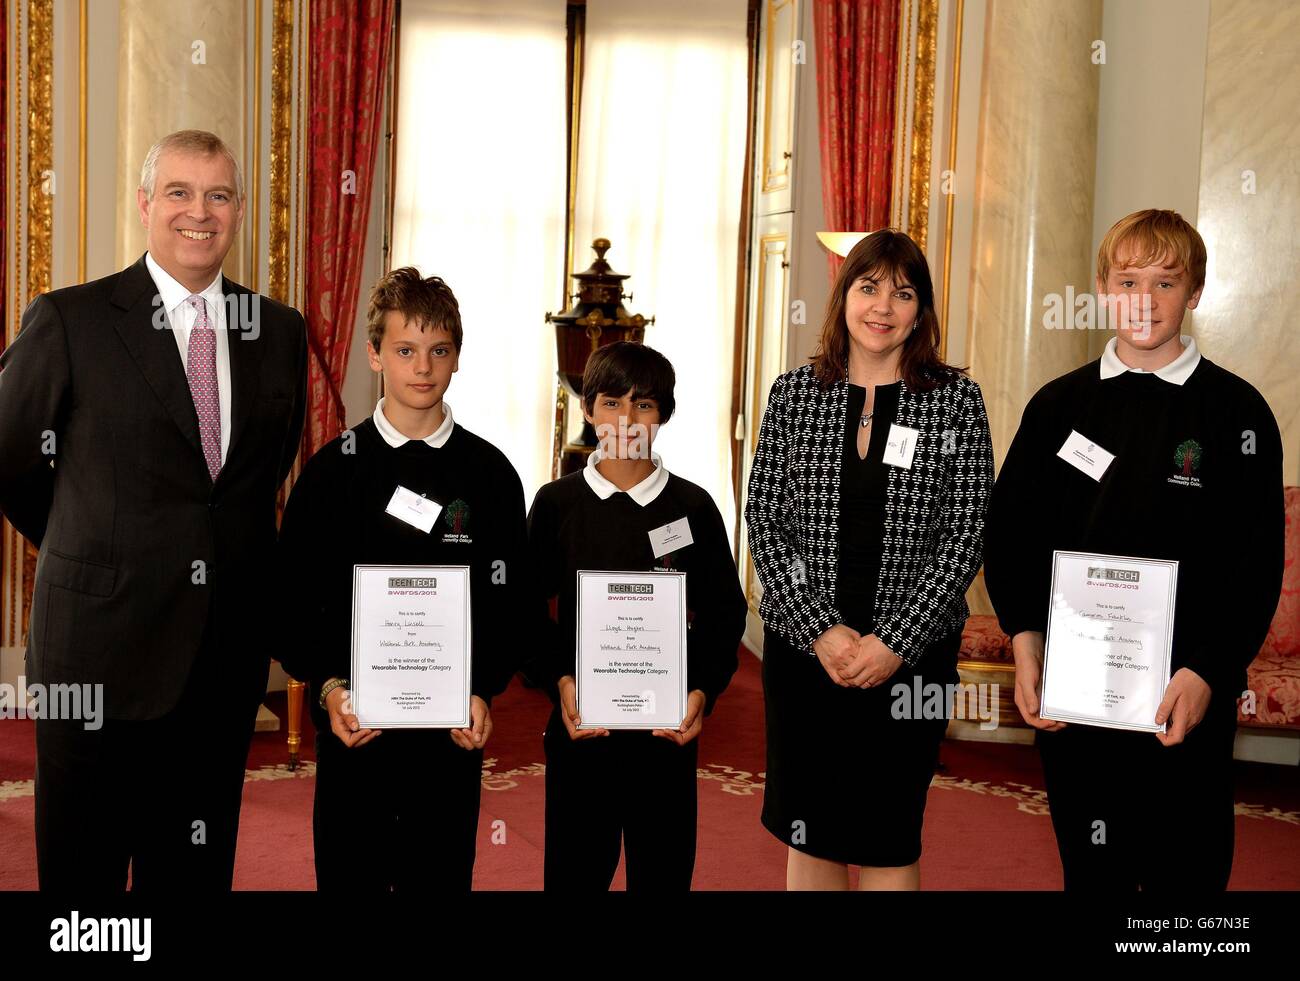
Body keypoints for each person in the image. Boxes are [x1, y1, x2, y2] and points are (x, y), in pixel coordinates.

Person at [0, 130, 307, 890]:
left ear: (237, 211)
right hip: (97, 659)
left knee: (194, 873)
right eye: (178, 192)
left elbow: (258, 478)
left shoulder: (279, 331)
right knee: (85, 884)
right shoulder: (71, 320)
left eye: (218, 195)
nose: (198, 212)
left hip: (221, 663)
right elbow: (13, 464)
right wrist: (95, 548)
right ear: (144, 204)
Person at [984, 208, 1284, 890]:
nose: (1143, 300)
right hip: (1078, 694)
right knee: (1094, 873)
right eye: (1126, 281)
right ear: (1101, 287)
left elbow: (1257, 559)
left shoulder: (1238, 414)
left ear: (1196, 292)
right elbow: (1012, 533)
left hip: (1187, 695)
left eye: (1165, 282)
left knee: (1189, 881)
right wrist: (1026, 636)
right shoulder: (1057, 406)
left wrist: (1208, 669)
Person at [745, 229, 993, 891]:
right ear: (844, 295)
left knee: (889, 832)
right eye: (869, 286)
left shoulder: (955, 402)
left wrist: (895, 643)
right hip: (806, 654)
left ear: (922, 308)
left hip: (910, 659)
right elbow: (766, 522)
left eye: (903, 292)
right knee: (811, 826)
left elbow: (964, 537)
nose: (883, 305)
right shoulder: (795, 395)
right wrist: (821, 631)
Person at [277, 267, 525, 892]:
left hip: (450, 733)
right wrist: (330, 687)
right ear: (374, 354)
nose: (423, 368)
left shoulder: (491, 475)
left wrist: (482, 688)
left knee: (438, 881)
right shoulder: (333, 472)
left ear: (457, 358)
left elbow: (509, 600)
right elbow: (295, 599)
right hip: (355, 728)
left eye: (439, 350)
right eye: (405, 350)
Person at [527, 341, 746, 891]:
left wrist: (701, 690)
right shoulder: (556, 505)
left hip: (664, 738)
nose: (626, 420)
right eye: (610, 403)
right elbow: (524, 610)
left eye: (644, 405)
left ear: (665, 414)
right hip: (582, 735)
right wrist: (560, 678)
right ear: (586, 409)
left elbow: (724, 612)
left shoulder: (693, 508)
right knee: (574, 877)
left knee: (663, 877)